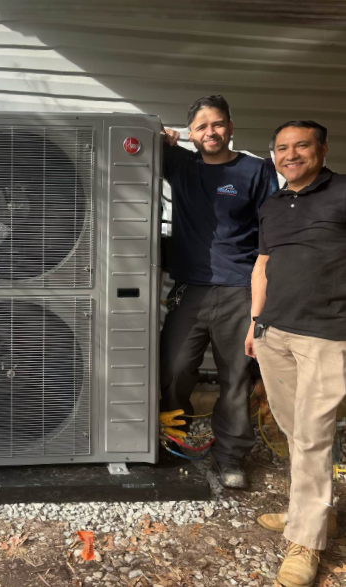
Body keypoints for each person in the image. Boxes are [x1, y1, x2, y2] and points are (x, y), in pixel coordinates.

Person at [246, 120, 345, 587]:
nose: (291, 154)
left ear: (321, 149)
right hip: (275, 334)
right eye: (282, 148)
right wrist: (254, 322)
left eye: (301, 146)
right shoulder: (273, 204)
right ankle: (313, 512)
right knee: (291, 428)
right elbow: (263, 266)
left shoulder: (343, 193)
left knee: (312, 434)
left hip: (327, 336)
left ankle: (306, 539)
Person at [161, 95, 273, 488]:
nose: (211, 131)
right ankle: (173, 436)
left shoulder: (255, 170)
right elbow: (136, 142)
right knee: (174, 368)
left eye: (218, 123)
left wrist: (262, 299)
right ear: (191, 134)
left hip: (239, 289)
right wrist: (162, 138)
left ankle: (230, 457)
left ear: (230, 127)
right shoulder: (181, 165)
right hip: (190, 288)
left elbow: (269, 233)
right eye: (201, 126)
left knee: (235, 376)